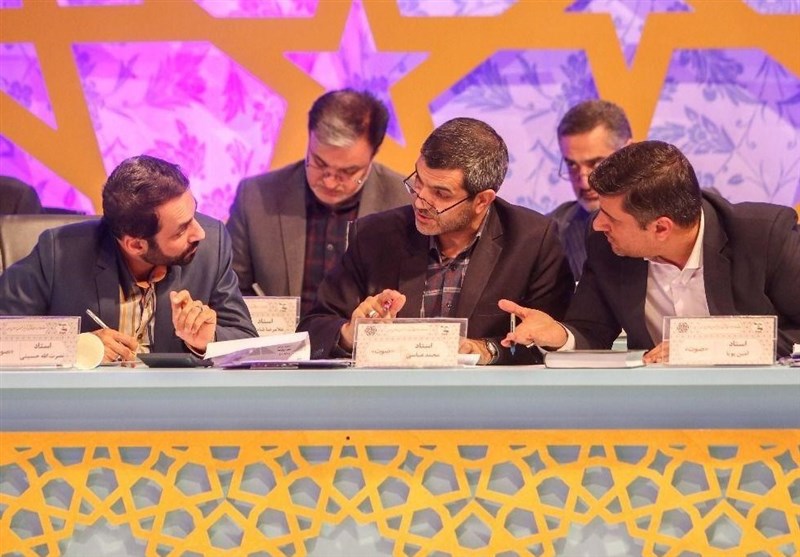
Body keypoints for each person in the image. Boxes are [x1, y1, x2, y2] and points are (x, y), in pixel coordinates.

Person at [297, 117, 574, 365]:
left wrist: (487, 349)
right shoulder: (375, 236)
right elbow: (313, 328)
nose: (420, 201)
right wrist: (350, 334)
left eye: (440, 193)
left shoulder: (532, 241)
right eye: (418, 182)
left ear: (482, 200)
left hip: (487, 401)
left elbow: (552, 338)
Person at [500, 140, 800, 360]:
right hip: (655, 410)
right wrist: (557, 334)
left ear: (661, 228)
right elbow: (591, 330)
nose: (598, 225)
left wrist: (706, 348)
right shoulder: (606, 245)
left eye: (612, 218)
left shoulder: (765, 237)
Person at [0, 155, 257, 362]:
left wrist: (208, 339)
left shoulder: (212, 246)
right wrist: (79, 347)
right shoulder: (58, 253)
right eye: (180, 231)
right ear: (135, 245)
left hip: (178, 404)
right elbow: (5, 334)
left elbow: (247, 340)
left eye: (194, 214)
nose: (199, 233)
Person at [227, 89, 408, 317]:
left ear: (374, 153)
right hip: (278, 339)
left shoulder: (405, 202)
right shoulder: (257, 197)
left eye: (348, 171)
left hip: (366, 338)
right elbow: (229, 291)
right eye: (320, 164)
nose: (330, 182)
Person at [549, 99, 632, 281]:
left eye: (596, 163)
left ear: (628, 153)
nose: (584, 183)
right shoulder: (551, 235)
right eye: (572, 165)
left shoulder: (675, 221)